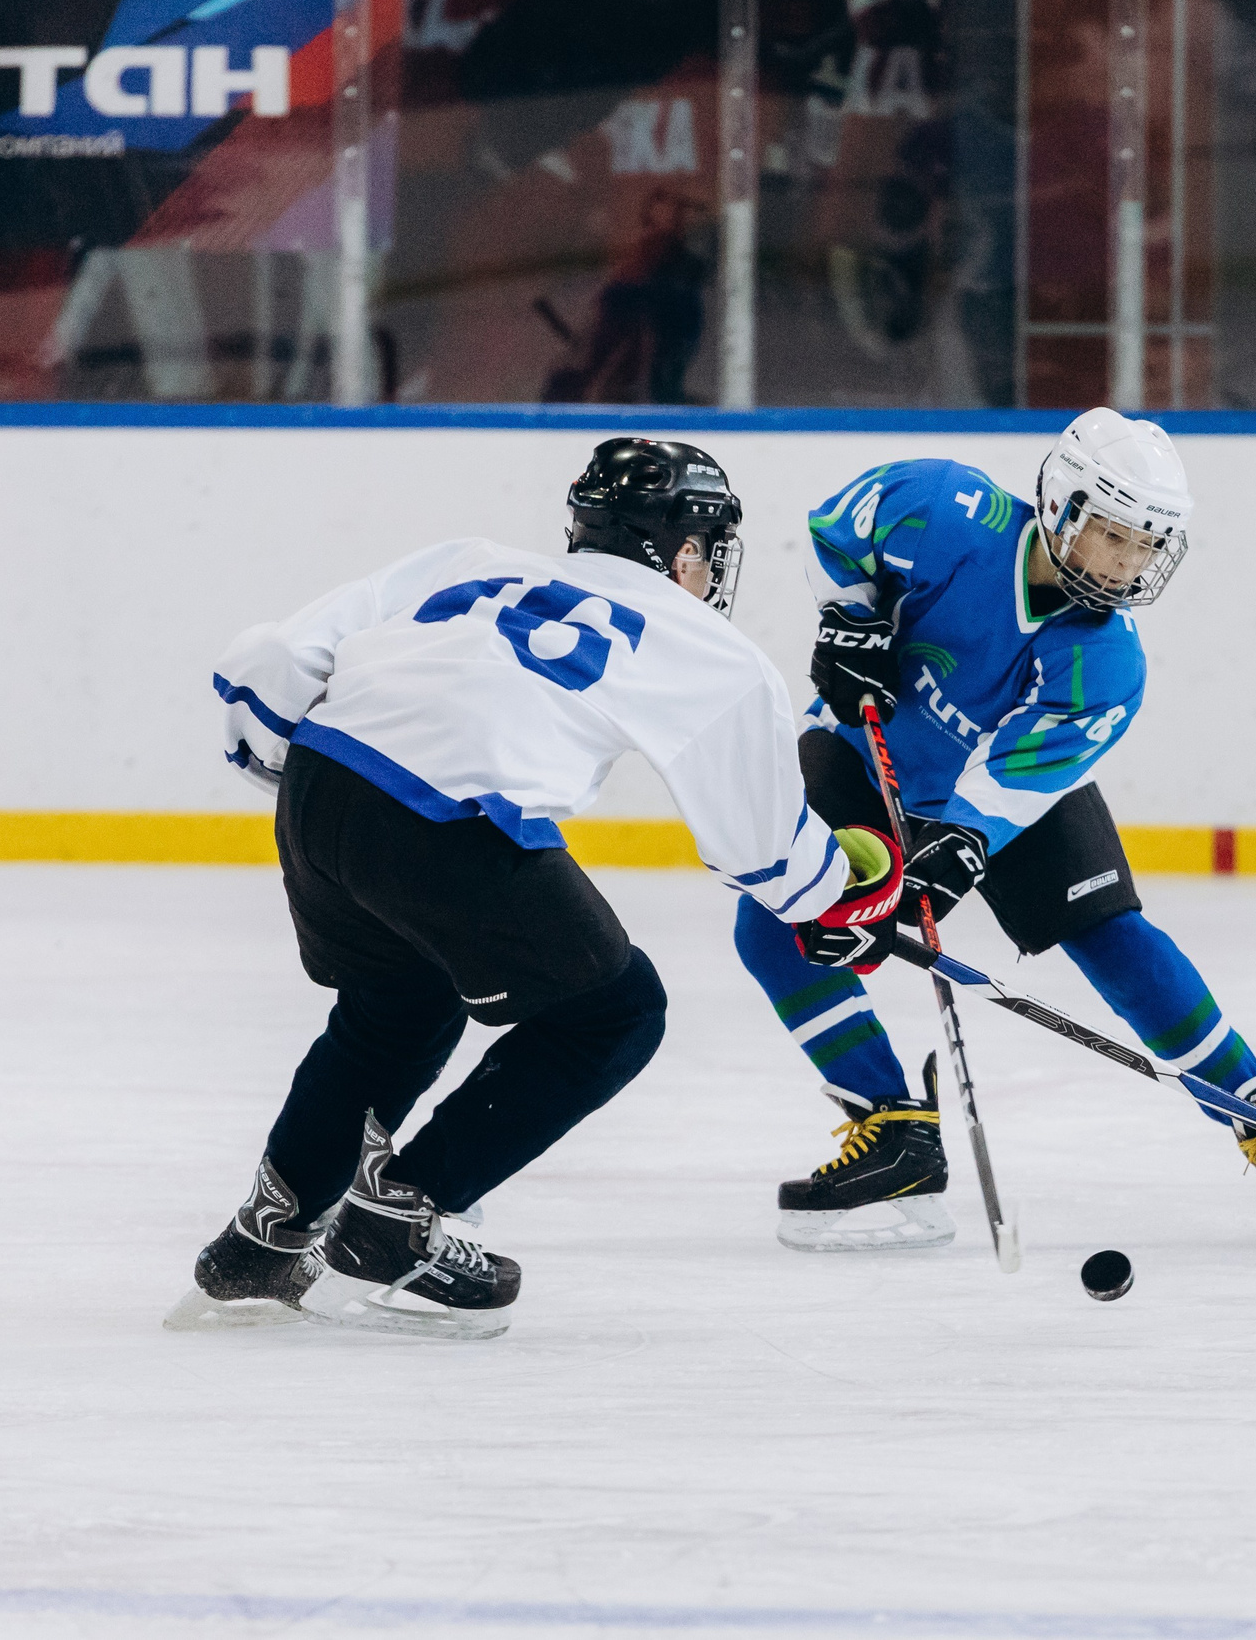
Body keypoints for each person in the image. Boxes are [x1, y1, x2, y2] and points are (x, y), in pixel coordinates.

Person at [171, 438, 904, 1337]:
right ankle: (398, 1219)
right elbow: (765, 857)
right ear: (682, 550)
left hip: (320, 786)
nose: (711, 569)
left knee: (397, 1007)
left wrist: (307, 776)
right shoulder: (711, 647)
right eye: (709, 548)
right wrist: (855, 885)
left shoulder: (469, 559)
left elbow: (270, 659)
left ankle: (260, 1248)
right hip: (442, 819)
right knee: (616, 1013)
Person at [736, 408, 1256, 1254]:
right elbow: (837, 531)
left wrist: (953, 845)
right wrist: (848, 614)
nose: (1127, 565)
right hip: (863, 753)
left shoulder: (1107, 662)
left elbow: (1007, 786)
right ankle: (894, 1126)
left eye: (1145, 548)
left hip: (1004, 795)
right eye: (1114, 536)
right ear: (1062, 505)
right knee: (771, 924)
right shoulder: (943, 509)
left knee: (1113, 938)